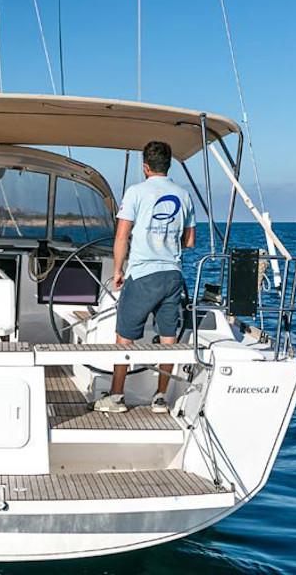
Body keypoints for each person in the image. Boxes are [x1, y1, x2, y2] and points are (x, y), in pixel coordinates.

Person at [92, 141, 195, 414]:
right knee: (169, 338)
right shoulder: (184, 195)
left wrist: (117, 271)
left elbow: (121, 236)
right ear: (168, 165)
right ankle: (160, 398)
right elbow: (190, 240)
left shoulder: (136, 192)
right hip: (172, 275)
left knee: (124, 339)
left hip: (142, 275)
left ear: (145, 167)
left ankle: (116, 397)